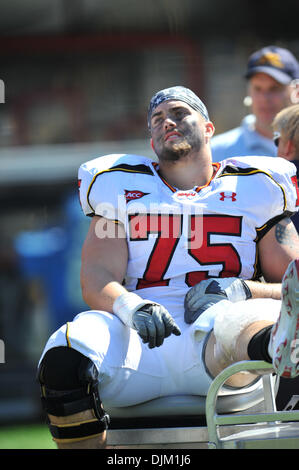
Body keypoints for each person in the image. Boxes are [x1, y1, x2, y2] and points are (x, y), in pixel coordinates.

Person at [37, 86, 299, 449]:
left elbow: (293, 282)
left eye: (179, 113)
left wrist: (243, 288)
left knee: (236, 321)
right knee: (64, 354)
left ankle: (278, 349)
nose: (167, 122)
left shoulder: (255, 186)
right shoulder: (118, 185)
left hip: (219, 346)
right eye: (157, 119)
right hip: (137, 338)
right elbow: (97, 276)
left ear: (208, 128)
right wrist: (131, 306)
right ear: (150, 138)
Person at [211, 45, 299, 162]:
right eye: (257, 88)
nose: (264, 98)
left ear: (296, 92)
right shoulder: (217, 152)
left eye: (274, 88)